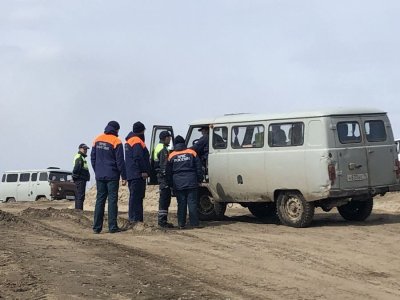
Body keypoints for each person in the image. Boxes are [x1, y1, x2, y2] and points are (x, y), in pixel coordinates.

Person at [91, 121, 127, 234]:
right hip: (112, 175)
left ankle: (97, 228)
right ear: (116, 130)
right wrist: (124, 176)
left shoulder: (97, 139)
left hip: (100, 175)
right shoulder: (116, 141)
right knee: (112, 200)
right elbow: (120, 161)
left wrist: (97, 170)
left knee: (100, 200)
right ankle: (112, 227)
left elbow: (93, 158)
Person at [167, 135, 203, 229]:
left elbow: (168, 172)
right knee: (192, 203)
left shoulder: (171, 155)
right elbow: (198, 168)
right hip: (191, 181)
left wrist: (170, 184)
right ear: (184, 143)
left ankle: (181, 224)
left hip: (178, 183)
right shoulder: (192, 152)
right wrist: (200, 179)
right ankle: (194, 223)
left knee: (181, 204)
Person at [125, 121, 151, 223]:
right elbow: (138, 157)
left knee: (134, 197)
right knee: (136, 197)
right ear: (141, 130)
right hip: (137, 174)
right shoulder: (136, 141)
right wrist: (144, 170)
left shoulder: (130, 140)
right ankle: (135, 220)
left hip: (132, 174)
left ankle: (135, 219)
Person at [153, 131, 174, 228]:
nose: (170, 139)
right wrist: (168, 178)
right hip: (163, 178)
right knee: (165, 199)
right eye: (169, 137)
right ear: (165, 138)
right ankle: (162, 222)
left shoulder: (158, 147)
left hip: (160, 176)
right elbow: (164, 166)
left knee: (164, 198)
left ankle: (162, 221)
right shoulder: (163, 149)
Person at [72, 143, 90, 210]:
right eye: (84, 149)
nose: (85, 150)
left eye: (86, 149)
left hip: (81, 179)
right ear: (80, 149)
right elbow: (77, 167)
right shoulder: (79, 157)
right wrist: (75, 176)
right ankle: (79, 210)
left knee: (79, 195)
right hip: (80, 179)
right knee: (80, 195)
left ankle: (78, 210)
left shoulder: (81, 157)